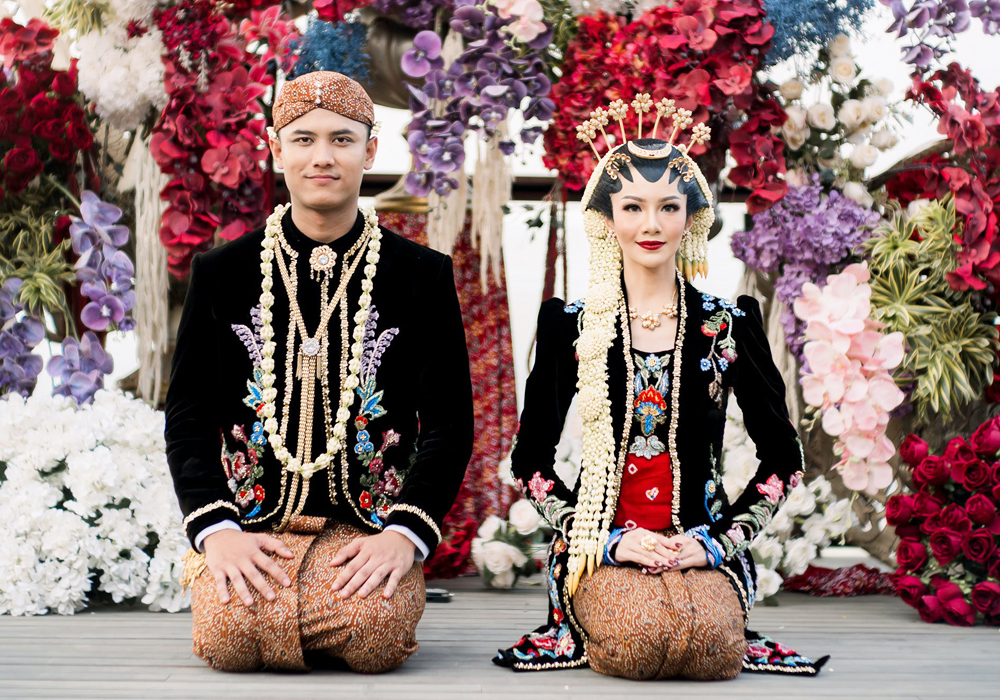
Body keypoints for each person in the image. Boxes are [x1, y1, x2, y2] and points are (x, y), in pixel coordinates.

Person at [494, 96, 827, 678]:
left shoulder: (730, 325)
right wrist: (603, 539)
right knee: (645, 640)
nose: (651, 225)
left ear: (692, 218)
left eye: (668, 207)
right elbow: (531, 462)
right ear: (606, 218)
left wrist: (719, 542)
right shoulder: (572, 326)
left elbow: (783, 457)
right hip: (600, 550)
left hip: (702, 547)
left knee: (709, 646)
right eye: (633, 207)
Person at [165, 70, 474, 673]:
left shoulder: (421, 276)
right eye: (303, 140)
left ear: (371, 149)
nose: (322, 157)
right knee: (229, 639)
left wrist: (402, 536)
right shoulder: (222, 272)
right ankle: (262, 608)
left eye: (341, 139)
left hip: (364, 531)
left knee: (376, 633)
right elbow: (188, 415)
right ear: (277, 150)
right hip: (253, 524)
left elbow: (449, 424)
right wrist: (217, 531)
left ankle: (280, 619)